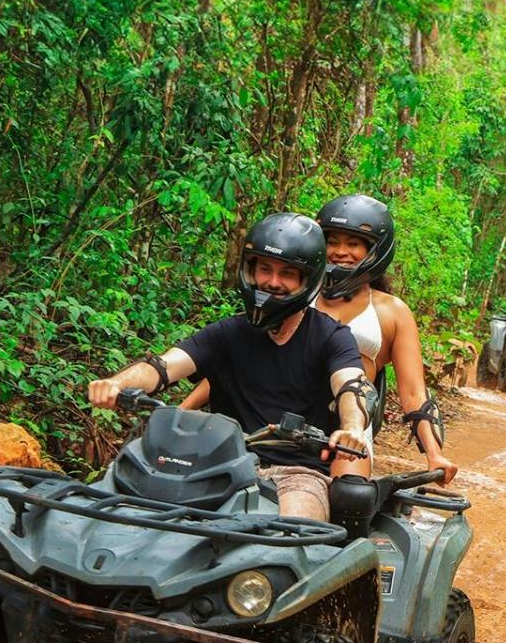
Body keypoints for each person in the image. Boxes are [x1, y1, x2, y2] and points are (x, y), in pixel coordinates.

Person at [89, 212, 374, 522]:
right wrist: (117, 383)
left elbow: (352, 385)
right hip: (217, 464)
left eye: (287, 273)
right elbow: (163, 366)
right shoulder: (228, 333)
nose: (272, 282)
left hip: (296, 475)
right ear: (250, 271)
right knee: (121, 510)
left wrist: (353, 429)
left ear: (307, 280)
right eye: (264, 269)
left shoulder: (331, 336)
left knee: (293, 536)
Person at [183, 194, 458, 485]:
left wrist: (433, 453)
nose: (340, 251)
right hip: (273, 421)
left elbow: (414, 392)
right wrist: (181, 414)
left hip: (346, 432)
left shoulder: (392, 312)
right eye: (332, 241)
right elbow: (235, 363)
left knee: (348, 497)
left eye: (353, 243)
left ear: (374, 250)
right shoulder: (293, 295)